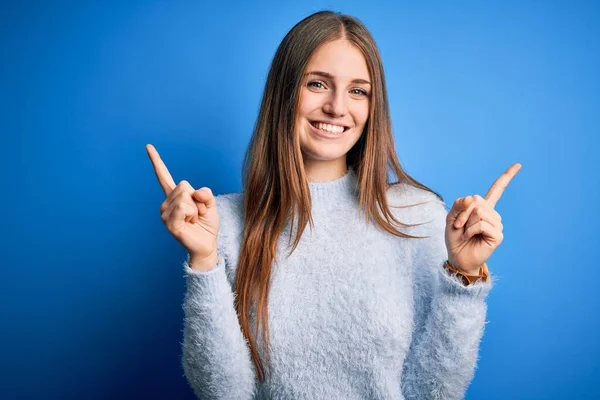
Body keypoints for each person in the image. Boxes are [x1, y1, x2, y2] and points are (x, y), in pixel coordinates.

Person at [146, 10, 520, 400]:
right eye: (318, 84)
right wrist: (205, 263)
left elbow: (433, 394)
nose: (338, 107)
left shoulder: (417, 216)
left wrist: (465, 276)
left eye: (358, 90)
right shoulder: (222, 223)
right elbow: (224, 393)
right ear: (285, 92)